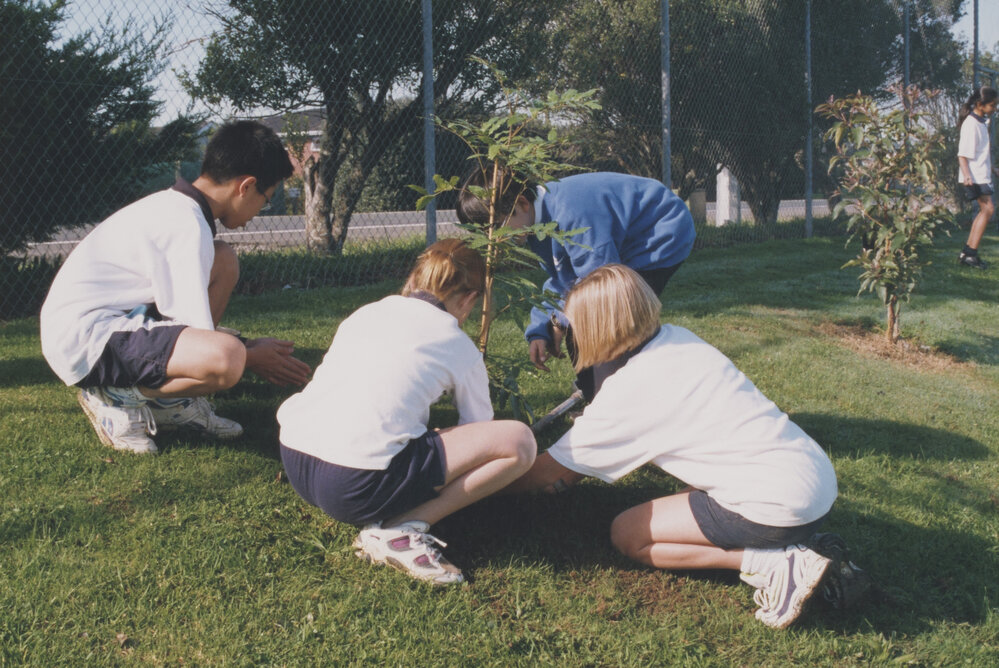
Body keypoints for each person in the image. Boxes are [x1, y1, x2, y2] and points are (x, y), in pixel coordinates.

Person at [505, 264, 844, 629]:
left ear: (594, 328)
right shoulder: (678, 338)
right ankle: (803, 543)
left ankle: (775, 563)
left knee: (628, 534)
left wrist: (481, 479)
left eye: (572, 325)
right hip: (815, 480)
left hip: (779, 507)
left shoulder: (629, 391)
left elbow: (545, 474)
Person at [40, 120, 312, 454]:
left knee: (223, 260)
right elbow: (199, 336)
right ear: (245, 186)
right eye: (265, 200)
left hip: (101, 326)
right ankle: (116, 396)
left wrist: (247, 346)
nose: (259, 211)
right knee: (226, 360)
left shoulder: (180, 209)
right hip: (87, 341)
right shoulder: (186, 225)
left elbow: (187, 325)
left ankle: (169, 404)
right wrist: (251, 355)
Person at [276, 239, 536, 586]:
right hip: (352, 486)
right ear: (470, 300)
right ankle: (403, 528)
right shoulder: (459, 344)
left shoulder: (366, 311)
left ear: (415, 280)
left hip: (296, 460)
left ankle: (393, 514)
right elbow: (481, 430)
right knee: (519, 441)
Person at [456, 168, 696, 400]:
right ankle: (599, 392)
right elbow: (563, 278)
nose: (495, 239)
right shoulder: (535, 225)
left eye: (497, 227)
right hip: (614, 247)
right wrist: (542, 327)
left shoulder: (573, 214)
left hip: (658, 235)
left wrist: (561, 320)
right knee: (578, 320)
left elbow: (599, 285)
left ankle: (622, 393)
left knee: (612, 317)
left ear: (523, 204)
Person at [957, 86, 998, 269]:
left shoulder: (981, 122)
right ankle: (970, 253)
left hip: (981, 174)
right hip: (974, 177)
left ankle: (968, 252)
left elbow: (980, 153)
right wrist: (966, 175)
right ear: (980, 104)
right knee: (988, 210)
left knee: (985, 211)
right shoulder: (971, 124)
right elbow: (962, 155)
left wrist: (992, 168)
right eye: (992, 105)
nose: (995, 108)